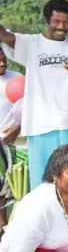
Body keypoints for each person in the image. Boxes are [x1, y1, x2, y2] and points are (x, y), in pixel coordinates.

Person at [0, 0, 68, 190]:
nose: (61, 27)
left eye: (66, 22)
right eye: (56, 21)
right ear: (46, 20)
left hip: (66, 123)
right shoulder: (30, 43)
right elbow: (5, 36)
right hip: (39, 123)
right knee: (41, 186)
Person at [0, 50, 21, 229]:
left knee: (12, 188)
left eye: (4, 60)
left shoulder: (16, 78)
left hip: (15, 142)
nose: (2, 64)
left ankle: (9, 226)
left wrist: (18, 126)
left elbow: (29, 106)